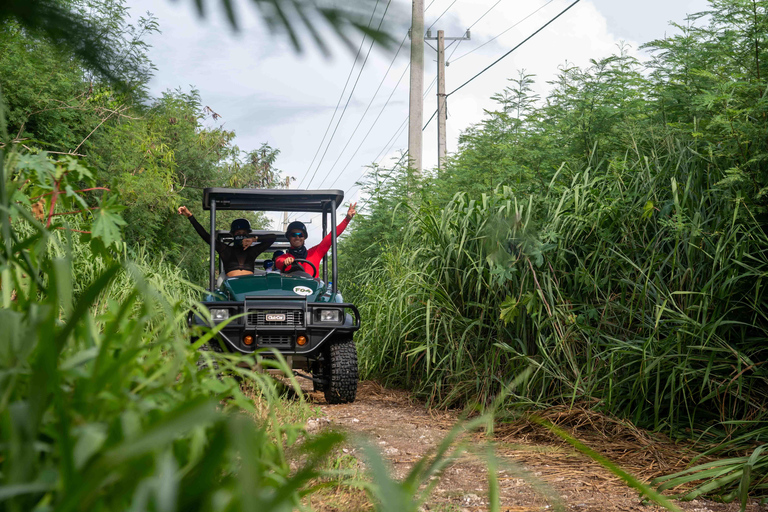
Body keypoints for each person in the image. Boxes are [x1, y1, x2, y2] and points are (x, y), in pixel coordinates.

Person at [178, 206, 276, 277]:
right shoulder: (225, 250)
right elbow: (205, 235)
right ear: (233, 235)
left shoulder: (253, 251)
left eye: (244, 233)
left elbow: (273, 238)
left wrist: (254, 239)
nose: (241, 235)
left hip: (249, 287)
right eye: (238, 232)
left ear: (248, 235)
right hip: (231, 288)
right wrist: (190, 216)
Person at [276, 202, 356, 277]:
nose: (297, 237)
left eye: (300, 235)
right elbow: (279, 262)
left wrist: (347, 219)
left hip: (312, 290)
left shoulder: (314, 253)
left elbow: (330, 237)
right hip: (291, 290)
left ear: (304, 237)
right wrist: (285, 261)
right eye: (294, 235)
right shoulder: (284, 257)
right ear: (289, 237)